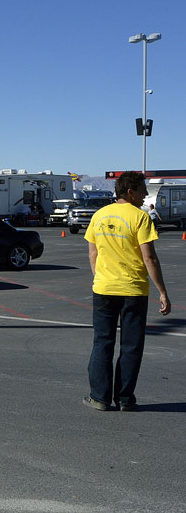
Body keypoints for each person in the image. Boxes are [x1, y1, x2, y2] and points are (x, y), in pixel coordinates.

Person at [83, 171, 171, 412]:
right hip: (133, 291)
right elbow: (149, 257)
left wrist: (99, 278)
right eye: (142, 189)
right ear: (130, 192)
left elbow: (93, 253)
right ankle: (124, 399)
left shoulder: (99, 216)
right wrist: (162, 291)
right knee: (131, 346)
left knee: (102, 343)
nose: (145, 194)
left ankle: (99, 398)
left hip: (103, 289)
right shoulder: (140, 218)